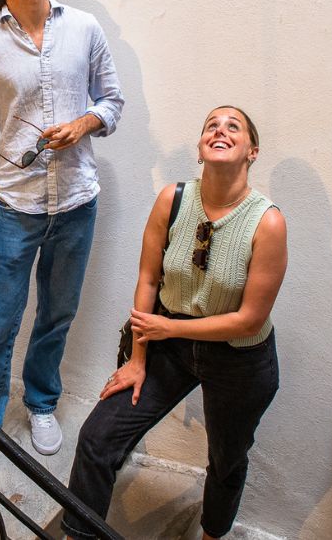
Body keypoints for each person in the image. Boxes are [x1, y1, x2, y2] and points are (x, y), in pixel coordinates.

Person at [64, 106, 287, 540]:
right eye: (211, 126)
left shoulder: (268, 221)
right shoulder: (173, 199)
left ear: (252, 152)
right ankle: (78, 535)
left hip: (239, 358)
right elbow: (148, 280)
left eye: (233, 127)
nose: (220, 130)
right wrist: (137, 359)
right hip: (168, 342)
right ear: (201, 149)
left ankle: (211, 535)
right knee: (97, 437)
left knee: (226, 460)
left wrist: (170, 330)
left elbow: (249, 320)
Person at [0, 0, 125, 464]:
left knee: (56, 315)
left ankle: (42, 403)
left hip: (77, 201)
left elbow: (112, 100)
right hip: (15, 208)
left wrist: (83, 124)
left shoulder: (85, 27)